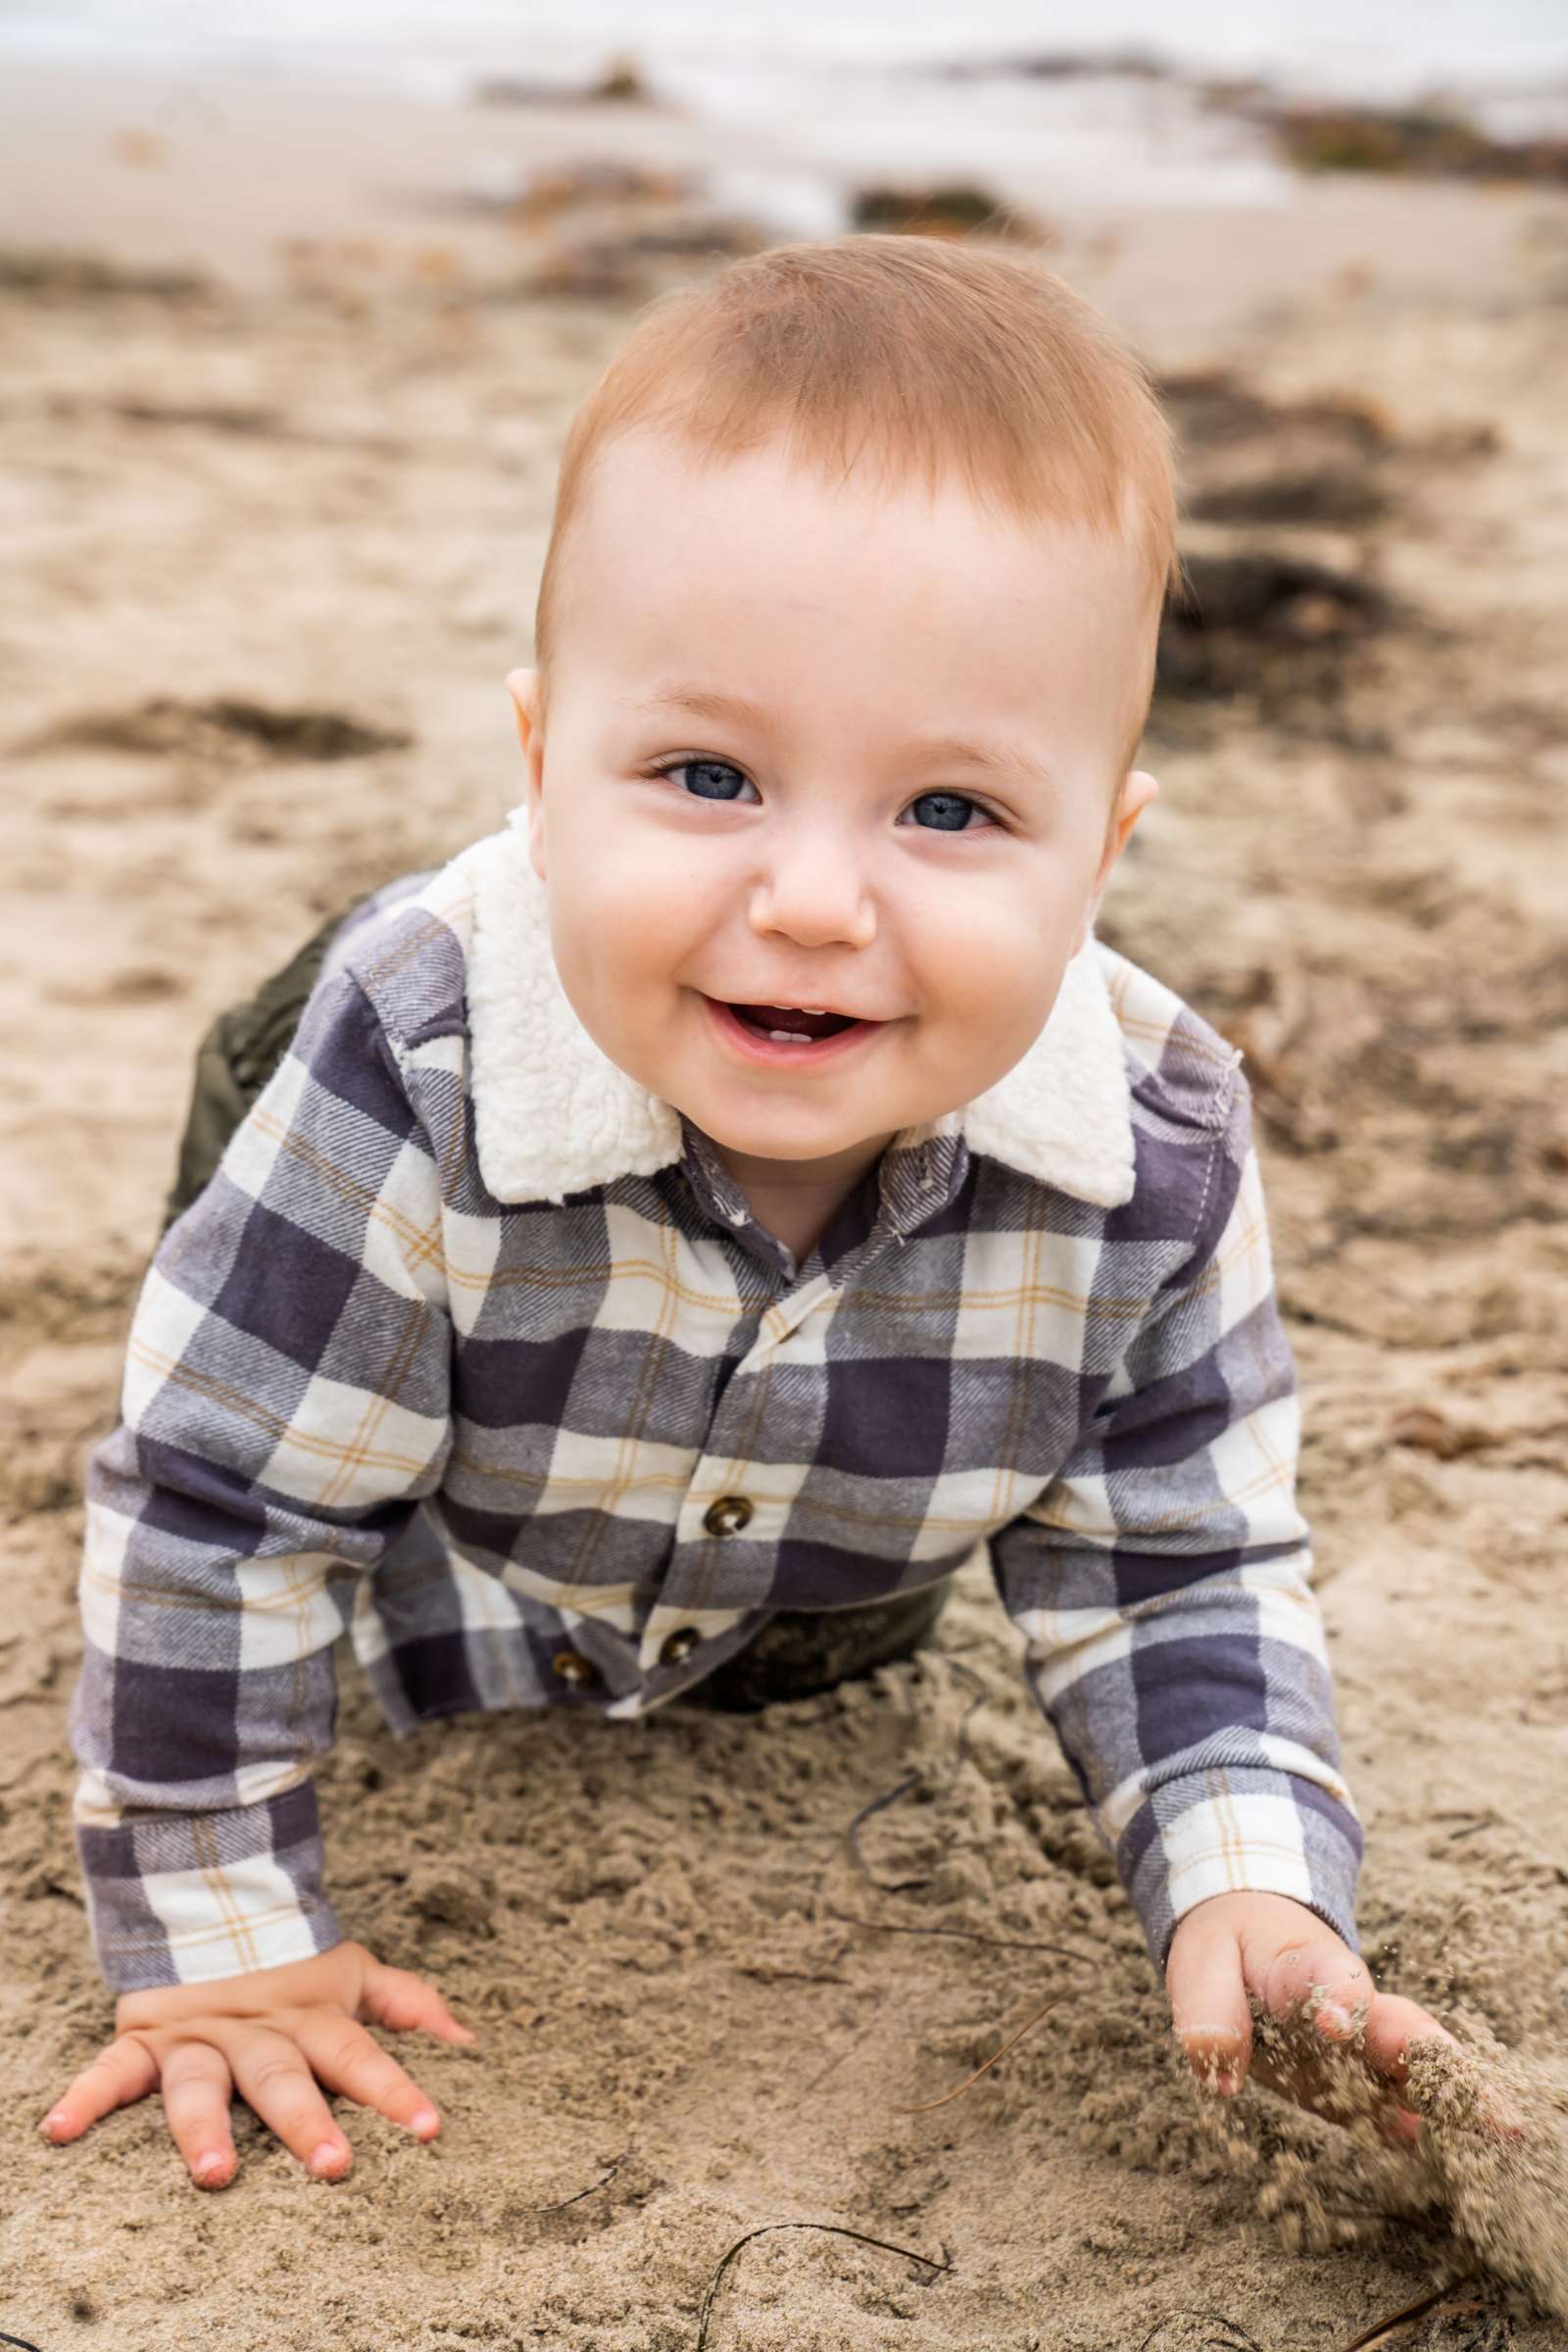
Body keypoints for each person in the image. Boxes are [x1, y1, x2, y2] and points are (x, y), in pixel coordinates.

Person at [40, 234, 1461, 2191]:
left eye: (947, 812)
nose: (809, 896)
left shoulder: (1152, 1146)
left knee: (939, 1580)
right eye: (707, 774)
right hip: (426, 1309)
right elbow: (226, 1508)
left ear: (1099, 853)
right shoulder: (413, 1054)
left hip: (800, 1563)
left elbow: (1177, 1561)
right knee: (280, 1377)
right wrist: (217, 1945)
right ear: (543, 772)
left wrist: (1245, 1881)